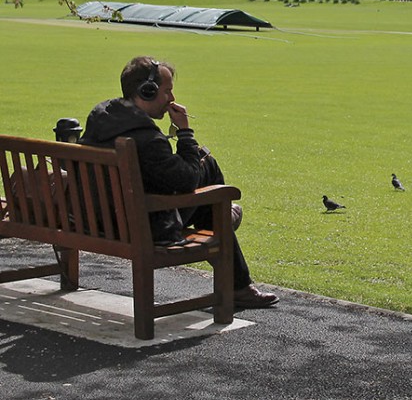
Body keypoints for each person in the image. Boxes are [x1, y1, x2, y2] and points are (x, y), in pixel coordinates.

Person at [81, 55, 279, 309]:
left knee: (203, 171)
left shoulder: (101, 118)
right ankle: (228, 244)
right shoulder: (147, 140)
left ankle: (222, 222)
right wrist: (185, 133)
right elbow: (187, 180)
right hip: (143, 227)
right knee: (208, 169)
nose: (172, 99)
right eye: (167, 91)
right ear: (148, 91)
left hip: (100, 220)